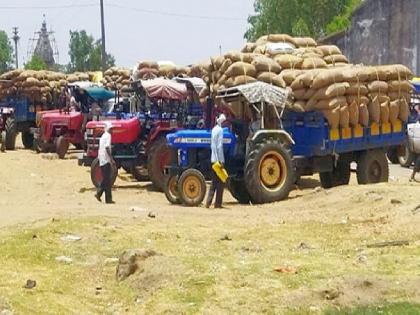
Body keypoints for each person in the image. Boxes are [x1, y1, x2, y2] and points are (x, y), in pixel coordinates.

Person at [205, 113, 226, 208]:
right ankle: (218, 203)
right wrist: (221, 160)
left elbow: (213, 146)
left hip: (213, 159)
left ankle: (208, 202)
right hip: (218, 160)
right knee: (221, 181)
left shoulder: (213, 130)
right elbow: (219, 146)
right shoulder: (220, 131)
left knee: (214, 182)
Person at [95, 121, 115, 204]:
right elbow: (107, 147)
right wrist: (111, 159)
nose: (112, 130)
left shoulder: (103, 136)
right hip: (106, 159)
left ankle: (103, 196)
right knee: (107, 180)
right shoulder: (108, 136)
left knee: (106, 179)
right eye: (111, 129)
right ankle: (103, 196)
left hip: (102, 159)